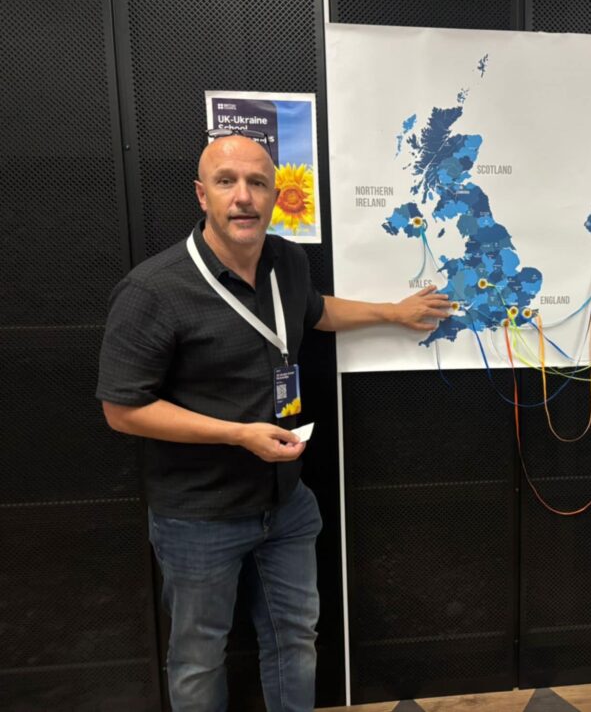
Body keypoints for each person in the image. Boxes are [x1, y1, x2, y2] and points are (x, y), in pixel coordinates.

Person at [96, 133, 450, 712]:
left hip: (286, 505)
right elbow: (122, 409)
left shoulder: (287, 260)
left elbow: (317, 311)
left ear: (275, 196)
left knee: (295, 642)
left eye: (257, 183)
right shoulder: (152, 291)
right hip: (198, 515)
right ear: (202, 195)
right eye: (226, 182)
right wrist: (237, 434)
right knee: (198, 658)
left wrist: (393, 312)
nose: (243, 196)